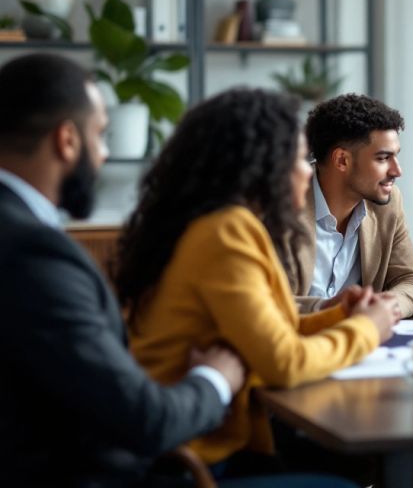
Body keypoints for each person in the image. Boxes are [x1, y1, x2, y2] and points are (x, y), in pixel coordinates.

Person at [117, 88, 398, 482]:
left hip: (213, 444)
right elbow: (284, 363)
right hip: (195, 462)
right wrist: (368, 328)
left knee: (360, 460)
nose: (307, 170)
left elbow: (273, 331)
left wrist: (339, 316)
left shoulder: (223, 222)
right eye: (299, 159)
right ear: (262, 165)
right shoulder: (224, 232)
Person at [0, 53, 246, 486]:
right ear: (67, 141)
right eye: (101, 135)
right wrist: (216, 379)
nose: (104, 154)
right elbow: (146, 421)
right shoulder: (33, 253)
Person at [288, 93, 413, 318]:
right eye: (383, 158)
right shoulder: (280, 205)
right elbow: (258, 303)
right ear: (342, 160)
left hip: (359, 342)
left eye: (396, 157)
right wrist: (330, 309)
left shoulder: (388, 203)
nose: (397, 171)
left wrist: (384, 306)